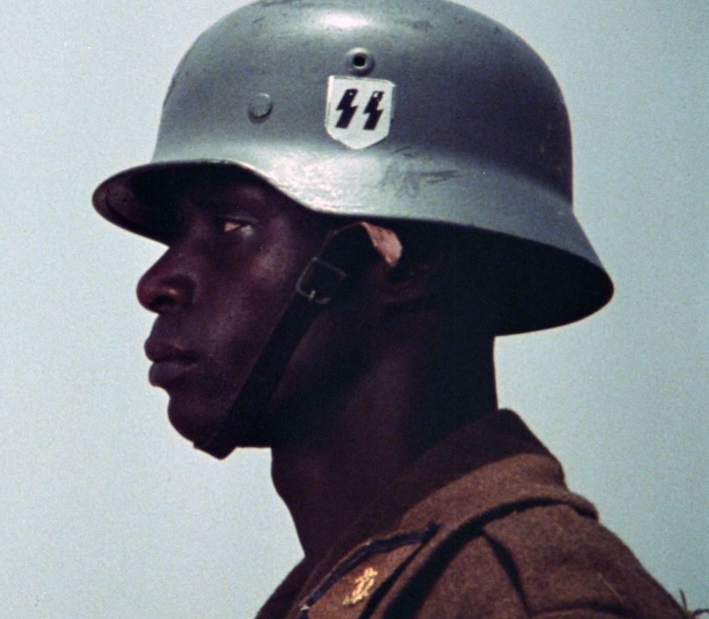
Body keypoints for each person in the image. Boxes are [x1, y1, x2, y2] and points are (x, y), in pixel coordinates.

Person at [92, 1, 686, 617]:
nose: (157, 282)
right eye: (174, 237)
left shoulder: (528, 600)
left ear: (417, 260)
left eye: (233, 224)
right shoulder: (365, 590)